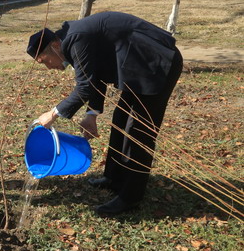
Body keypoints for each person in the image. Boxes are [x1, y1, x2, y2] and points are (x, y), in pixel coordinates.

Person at [27, 11, 183, 216]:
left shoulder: (75, 39)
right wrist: (92, 114)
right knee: (120, 120)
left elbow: (84, 88)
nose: (49, 68)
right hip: (138, 68)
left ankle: (130, 197)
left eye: (44, 61)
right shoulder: (70, 41)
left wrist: (53, 113)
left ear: (55, 46)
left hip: (156, 64)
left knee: (138, 132)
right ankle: (114, 178)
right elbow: (95, 77)